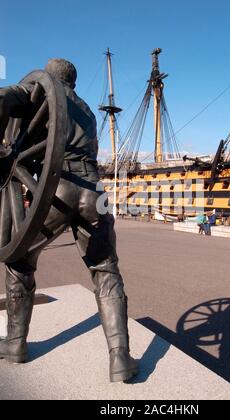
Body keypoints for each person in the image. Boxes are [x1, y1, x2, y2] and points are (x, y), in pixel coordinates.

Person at [0, 59, 138, 383]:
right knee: (105, 269)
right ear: (73, 81)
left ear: (49, 76)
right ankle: (120, 358)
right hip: (96, 191)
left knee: (19, 260)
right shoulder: (88, 112)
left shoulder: (40, 94)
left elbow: (7, 98)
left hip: (59, 188)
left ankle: (16, 343)